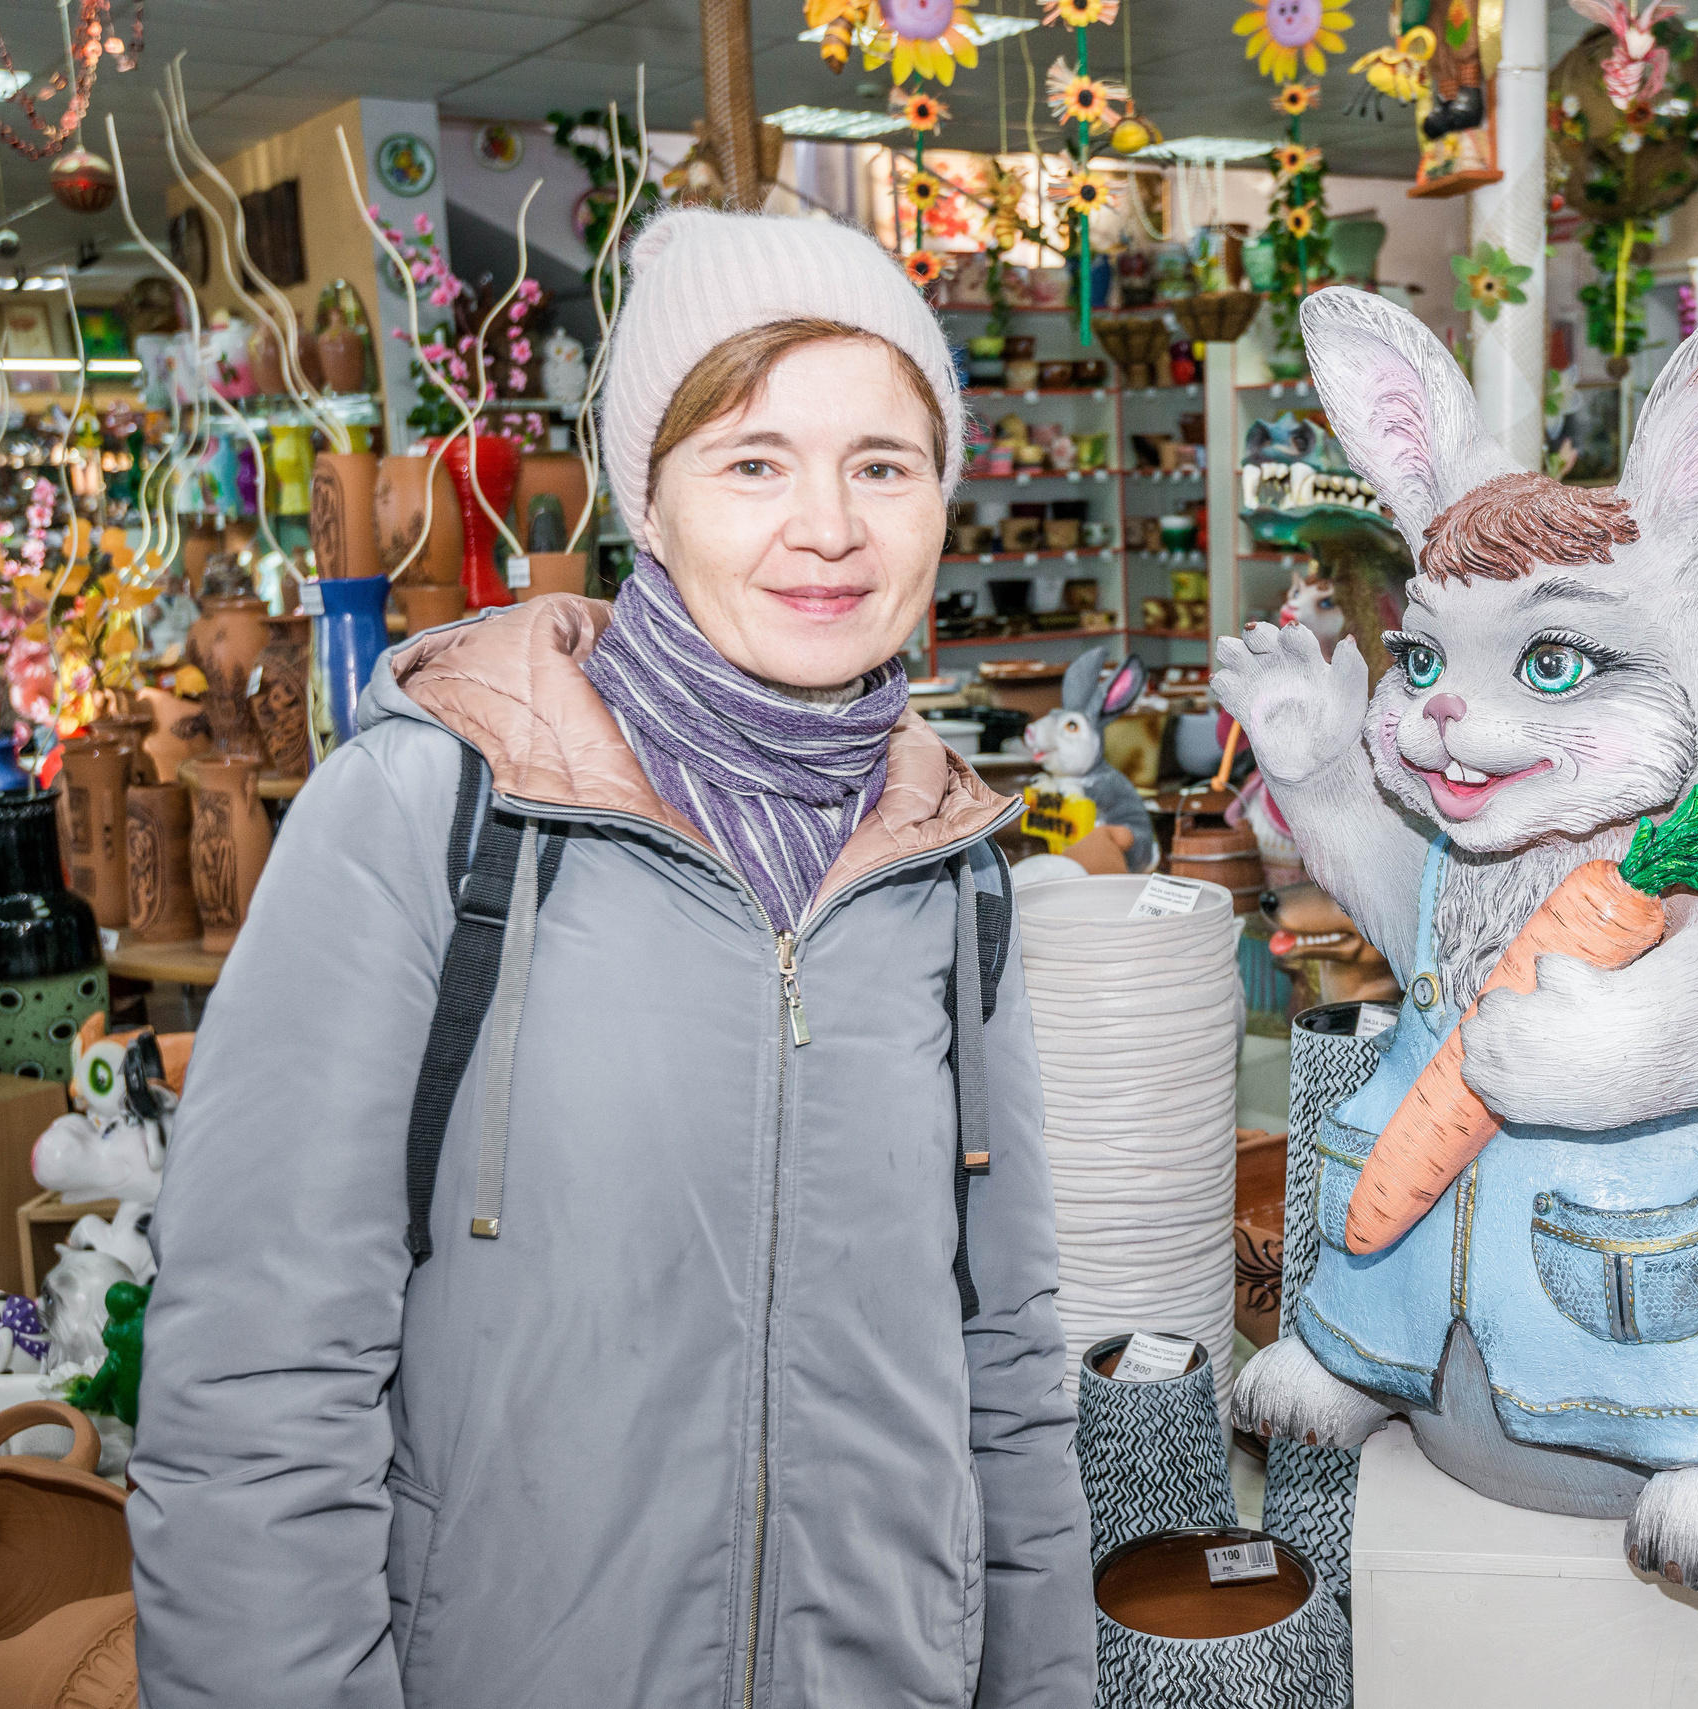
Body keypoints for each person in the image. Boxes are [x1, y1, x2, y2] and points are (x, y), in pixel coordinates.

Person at [128, 211, 1094, 1707]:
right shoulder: (428, 815)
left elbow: (1009, 1376)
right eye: (753, 459)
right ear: (651, 493)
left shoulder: (947, 866)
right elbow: (257, 1389)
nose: (828, 526)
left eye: (883, 465)